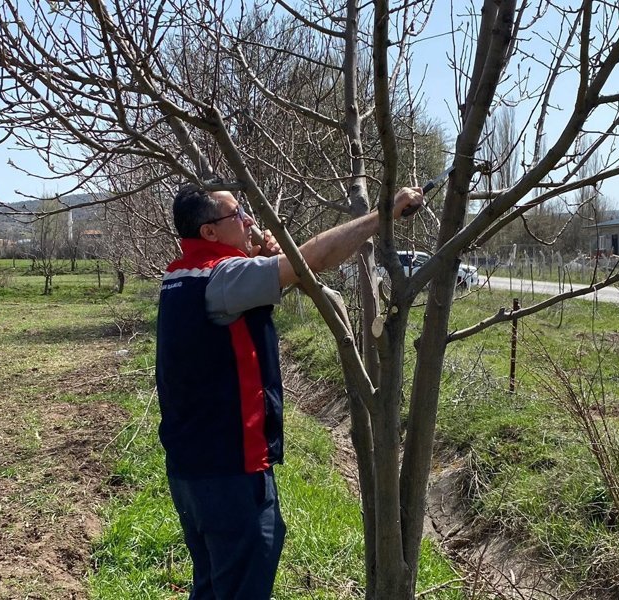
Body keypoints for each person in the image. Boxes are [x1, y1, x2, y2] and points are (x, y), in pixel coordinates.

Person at [155, 183, 423, 599]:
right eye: (237, 215)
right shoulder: (224, 278)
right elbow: (310, 261)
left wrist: (262, 261)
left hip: (192, 467)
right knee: (243, 583)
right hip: (230, 471)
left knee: (213, 583)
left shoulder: (181, 276)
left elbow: (250, 292)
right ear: (209, 232)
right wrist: (383, 214)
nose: (249, 221)